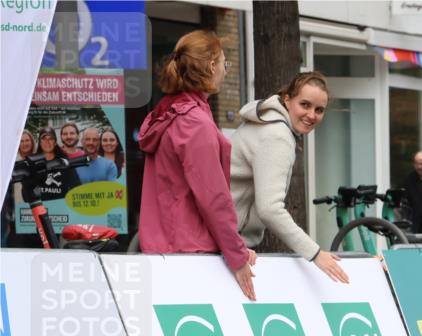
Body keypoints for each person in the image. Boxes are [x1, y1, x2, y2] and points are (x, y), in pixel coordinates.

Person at [138, 29, 256, 301]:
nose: (226, 71)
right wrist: (237, 255)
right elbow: (213, 198)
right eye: (225, 64)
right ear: (212, 66)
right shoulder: (195, 123)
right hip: (191, 253)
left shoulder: (167, 113)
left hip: (163, 248)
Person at [230, 71, 348, 283]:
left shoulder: (268, 122)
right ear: (287, 100)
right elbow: (270, 209)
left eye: (319, 110)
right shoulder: (278, 136)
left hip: (225, 241)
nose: (312, 115)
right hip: (226, 244)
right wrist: (315, 254)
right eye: (305, 105)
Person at [34, 127, 81, 200]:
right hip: (40, 209)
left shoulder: (65, 163)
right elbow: (26, 195)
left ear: (55, 142)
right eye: (44, 138)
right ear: (40, 142)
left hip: (59, 208)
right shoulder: (34, 164)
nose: (47, 142)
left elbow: (77, 189)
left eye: (51, 139)